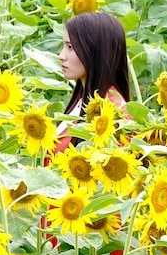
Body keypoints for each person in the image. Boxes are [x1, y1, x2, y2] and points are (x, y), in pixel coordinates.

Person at [53, 10, 132, 158]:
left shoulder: (114, 115)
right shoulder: (85, 101)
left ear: (95, 51)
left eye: (70, 47)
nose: (61, 56)